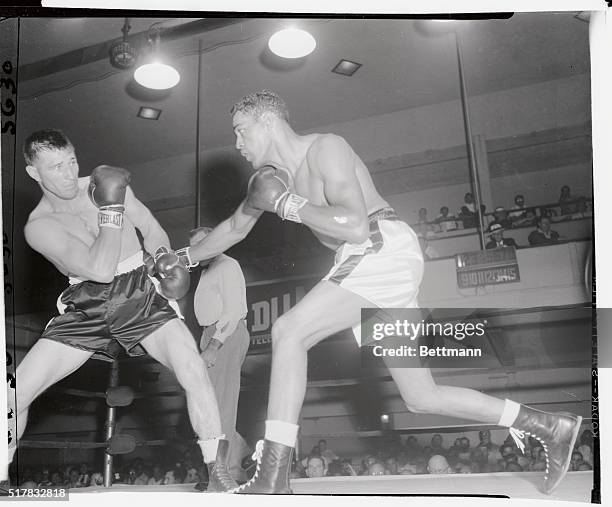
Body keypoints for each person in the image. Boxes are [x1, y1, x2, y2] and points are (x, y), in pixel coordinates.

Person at [178, 90, 582, 495]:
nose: (237, 144)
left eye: (241, 131)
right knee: (421, 396)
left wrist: (287, 205)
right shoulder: (269, 181)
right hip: (370, 263)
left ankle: (273, 477)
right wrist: (185, 257)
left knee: (288, 331)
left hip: (377, 245)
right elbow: (233, 229)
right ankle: (546, 424)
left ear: (267, 121)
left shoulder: (325, 149)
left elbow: (354, 226)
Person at [10, 129, 236, 492]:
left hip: (138, 290)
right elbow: (98, 269)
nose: (68, 174)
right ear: (34, 173)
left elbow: (151, 228)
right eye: (55, 168)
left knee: (191, 366)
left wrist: (162, 257)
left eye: (71, 162)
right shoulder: (39, 227)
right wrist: (112, 209)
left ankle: (218, 471)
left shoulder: (102, 183)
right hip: (88, 301)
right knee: (14, 394)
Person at [190, 226, 252, 483]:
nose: (198, 250)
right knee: (213, 403)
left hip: (224, 333)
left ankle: (223, 472)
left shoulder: (227, 265)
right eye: (194, 245)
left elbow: (233, 310)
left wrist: (215, 344)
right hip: (211, 333)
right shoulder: (208, 270)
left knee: (218, 406)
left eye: (203, 243)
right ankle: (238, 457)